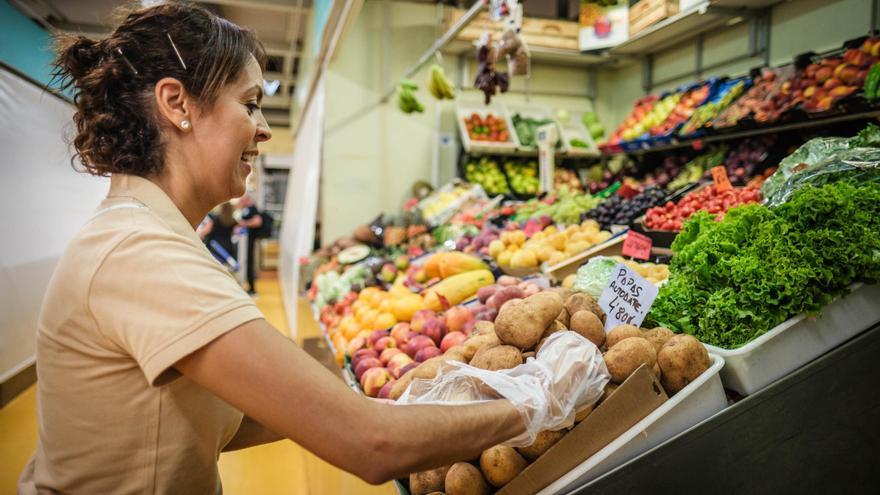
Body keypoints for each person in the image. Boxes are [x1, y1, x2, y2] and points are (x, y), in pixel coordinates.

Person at [20, 2, 595, 494]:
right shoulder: (139, 252)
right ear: (177, 104)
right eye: (249, 104)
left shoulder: (144, 234)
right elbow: (370, 446)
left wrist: (382, 399)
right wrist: (539, 402)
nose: (264, 129)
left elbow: (213, 418)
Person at [197, 202, 238, 267]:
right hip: (228, 246)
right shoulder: (233, 221)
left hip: (215, 247)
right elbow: (236, 233)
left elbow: (207, 231)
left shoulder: (214, 219)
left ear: (221, 208)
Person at [236, 192, 262, 295]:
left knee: (250, 263)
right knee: (245, 263)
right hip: (245, 242)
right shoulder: (245, 209)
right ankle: (248, 286)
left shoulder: (253, 209)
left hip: (250, 241)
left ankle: (252, 288)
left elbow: (257, 221)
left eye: (243, 199)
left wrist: (245, 224)